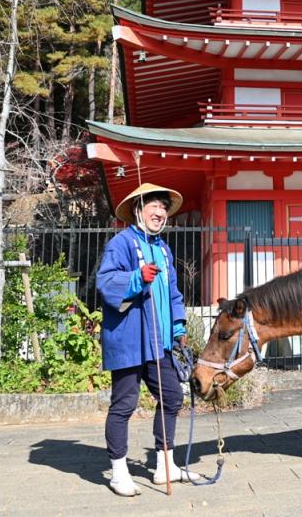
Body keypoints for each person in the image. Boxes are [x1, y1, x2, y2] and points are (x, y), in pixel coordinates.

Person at [96, 182, 200, 497]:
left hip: (159, 341)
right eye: (153, 205)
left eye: (164, 208)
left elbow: (172, 293)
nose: (160, 212)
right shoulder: (122, 243)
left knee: (171, 396)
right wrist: (136, 278)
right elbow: (105, 281)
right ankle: (118, 471)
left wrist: (179, 326)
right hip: (128, 339)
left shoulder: (163, 249)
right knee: (124, 404)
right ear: (138, 209)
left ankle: (165, 464)